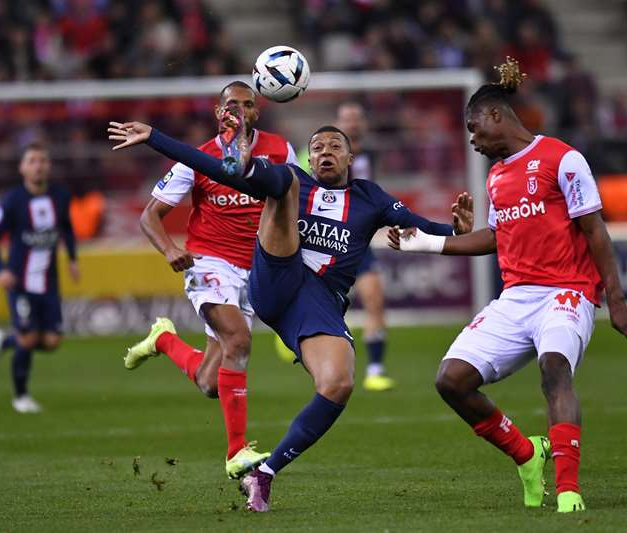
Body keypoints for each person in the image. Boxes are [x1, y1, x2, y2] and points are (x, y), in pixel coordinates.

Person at [107, 114, 473, 512]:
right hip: (276, 274)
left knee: (338, 384)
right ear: (309, 157)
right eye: (317, 148)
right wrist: (157, 138)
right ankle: (248, 166)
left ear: (351, 158)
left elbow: (418, 227)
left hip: (317, 301)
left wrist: (456, 230)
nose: (326, 153)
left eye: (335, 147)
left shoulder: (371, 197)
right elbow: (214, 170)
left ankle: (264, 475)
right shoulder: (297, 179)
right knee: (282, 184)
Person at [388, 59, 627, 513]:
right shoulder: (497, 176)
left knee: (554, 368)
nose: (471, 140)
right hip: (516, 297)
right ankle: (526, 455)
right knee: (451, 380)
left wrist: (617, 299)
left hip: (567, 292)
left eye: (473, 128)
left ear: (495, 116)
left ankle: (568, 491)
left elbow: (595, 230)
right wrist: (425, 243)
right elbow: (495, 236)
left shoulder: (563, 159)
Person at [123, 81, 297, 480]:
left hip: (257, 268)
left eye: (247, 104)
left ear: (256, 112)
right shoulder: (197, 159)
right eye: (231, 104)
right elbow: (149, 216)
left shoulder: (280, 150)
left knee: (209, 383)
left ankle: (163, 340)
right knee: (238, 340)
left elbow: (295, 202)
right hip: (209, 263)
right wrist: (169, 250)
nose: (239, 109)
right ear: (219, 112)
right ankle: (237, 452)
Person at [0, 143, 79, 413]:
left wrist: (72, 259)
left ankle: (4, 342)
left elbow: (67, 229)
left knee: (51, 341)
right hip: (20, 281)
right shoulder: (12, 200)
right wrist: (0, 269)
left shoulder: (60, 195)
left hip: (49, 281)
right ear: (22, 168)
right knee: (28, 339)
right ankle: (21, 397)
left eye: (43, 160)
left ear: (48, 166)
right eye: (32, 161)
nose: (38, 165)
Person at [335, 101, 393, 391]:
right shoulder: (324, 152)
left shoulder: (370, 155)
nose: (353, 124)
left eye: (357, 118)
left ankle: (375, 369)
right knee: (325, 307)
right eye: (348, 118)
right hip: (329, 240)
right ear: (339, 123)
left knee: (374, 299)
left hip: (358, 242)